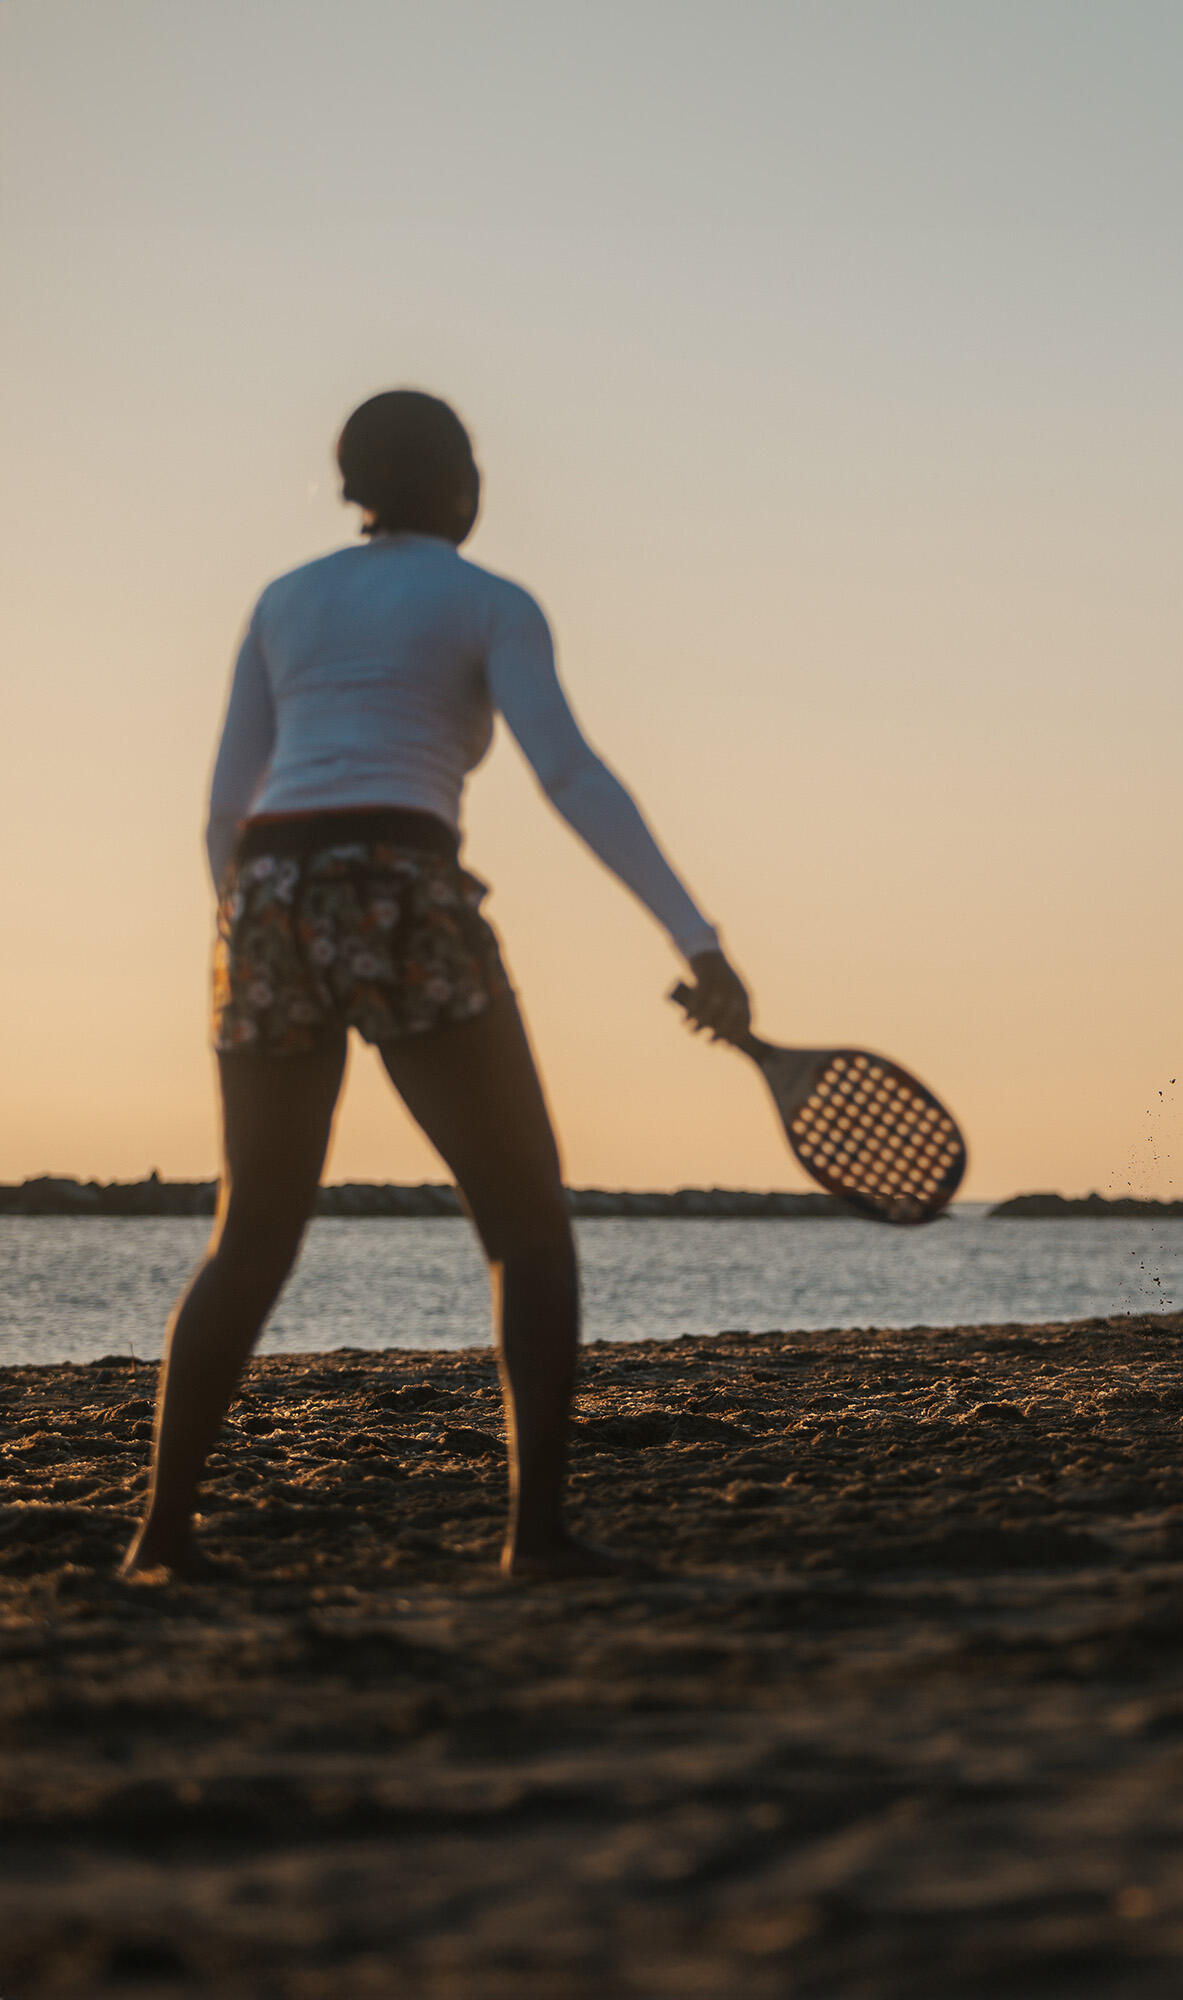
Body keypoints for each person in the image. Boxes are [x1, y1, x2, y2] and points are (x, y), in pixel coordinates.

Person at [121, 389, 750, 1578]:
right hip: (401, 882)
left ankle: (158, 1539)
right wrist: (694, 938)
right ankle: (537, 1536)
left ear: (352, 486)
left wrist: (254, 924)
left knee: (249, 1233)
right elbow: (568, 773)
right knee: (525, 1223)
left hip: (264, 895)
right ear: (458, 484)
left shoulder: (284, 600)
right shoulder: (487, 600)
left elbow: (221, 807)